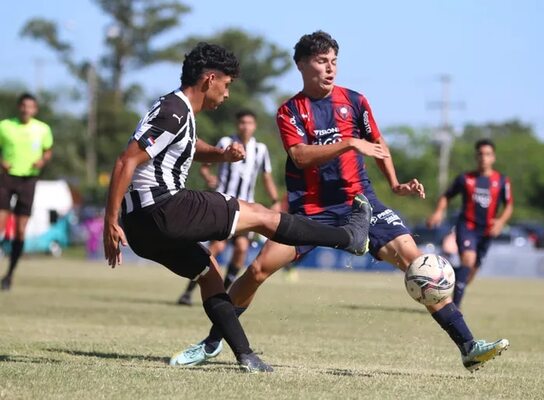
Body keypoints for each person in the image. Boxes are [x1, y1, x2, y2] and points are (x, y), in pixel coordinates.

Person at [170, 31, 509, 372]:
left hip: (361, 203)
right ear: (302, 65)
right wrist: (349, 143)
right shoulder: (290, 111)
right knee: (257, 270)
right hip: (311, 211)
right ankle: (212, 343)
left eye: (334, 62)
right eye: (321, 62)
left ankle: (468, 345)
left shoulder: (355, 101)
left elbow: (377, 142)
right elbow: (301, 157)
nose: (330, 69)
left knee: (420, 267)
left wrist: (395, 183)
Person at [103, 42, 372, 373]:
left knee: (210, 273)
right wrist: (108, 221)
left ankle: (245, 356)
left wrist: (219, 154)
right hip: (163, 207)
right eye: (226, 85)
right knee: (260, 215)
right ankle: (348, 237)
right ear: (209, 80)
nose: (227, 94)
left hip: (143, 230)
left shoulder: (175, 109)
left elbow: (183, 145)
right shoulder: (173, 110)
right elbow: (125, 161)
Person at [177, 109, 280, 306]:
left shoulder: (260, 149)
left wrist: (275, 199)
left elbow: (266, 176)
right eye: (242, 122)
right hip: (223, 206)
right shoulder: (225, 142)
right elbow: (205, 165)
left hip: (246, 209)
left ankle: (222, 295)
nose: (245, 126)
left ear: (254, 126)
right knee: (216, 247)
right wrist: (209, 178)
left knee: (241, 249)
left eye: (249, 123)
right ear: (237, 125)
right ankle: (188, 292)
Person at [428, 138, 513, 308]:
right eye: (480, 154)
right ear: (476, 157)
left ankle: (446, 275)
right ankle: (454, 308)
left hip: (487, 231)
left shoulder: (502, 181)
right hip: (467, 226)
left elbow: (509, 205)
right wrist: (438, 211)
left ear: (493, 157)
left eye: (487, 154)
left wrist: (501, 221)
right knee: (468, 260)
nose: (484, 157)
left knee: (470, 274)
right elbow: (447, 196)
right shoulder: (465, 179)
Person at [0, 93, 53, 291]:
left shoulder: (42, 129)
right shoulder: (5, 126)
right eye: (23, 105)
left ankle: (9, 274)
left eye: (30, 106)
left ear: (35, 109)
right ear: (18, 107)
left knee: (21, 230)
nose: (26, 109)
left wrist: (43, 160)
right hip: (6, 177)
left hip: (28, 180)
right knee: (1, 225)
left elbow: (48, 150)